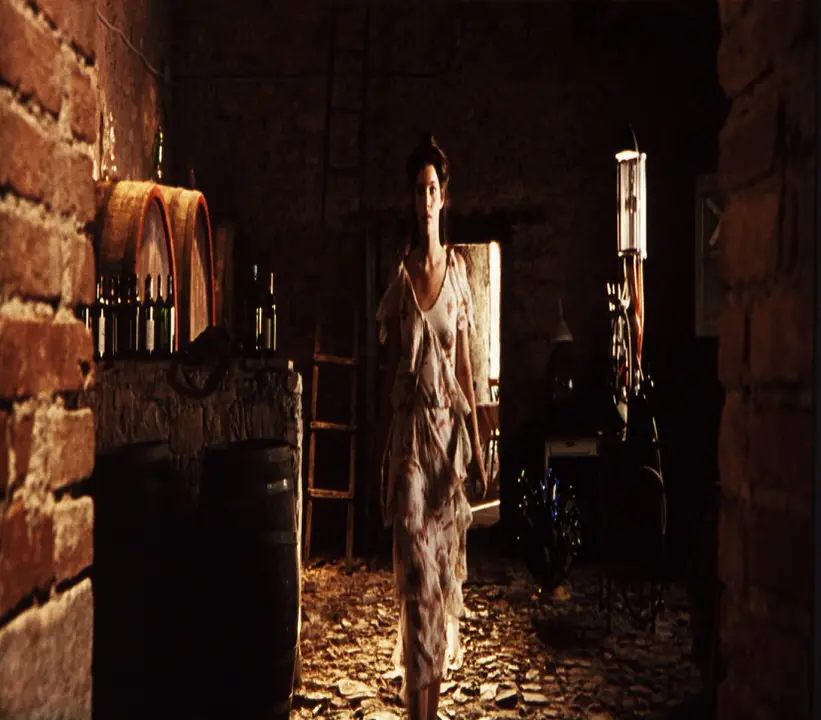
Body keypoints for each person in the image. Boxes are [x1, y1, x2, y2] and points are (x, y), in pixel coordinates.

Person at [376, 134, 488, 720]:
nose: (425, 200)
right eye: (418, 190)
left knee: (440, 582)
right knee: (417, 578)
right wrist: (387, 450)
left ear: (444, 198)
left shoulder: (459, 273)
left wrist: (479, 442)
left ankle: (430, 708)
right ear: (411, 198)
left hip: (449, 443)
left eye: (433, 189)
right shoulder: (401, 278)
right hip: (412, 444)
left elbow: (466, 365)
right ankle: (415, 711)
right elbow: (392, 367)